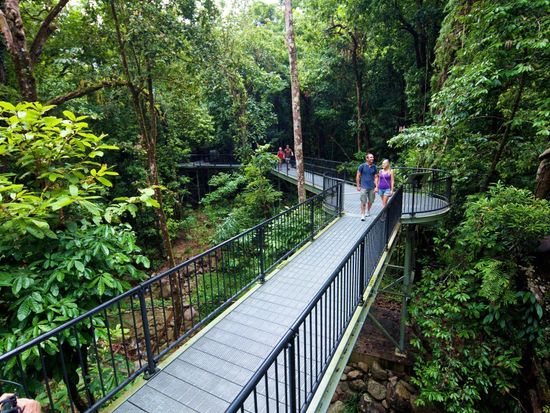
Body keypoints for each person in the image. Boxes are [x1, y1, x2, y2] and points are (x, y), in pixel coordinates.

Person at [356, 153, 379, 221]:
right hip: (363, 187)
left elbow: (376, 177)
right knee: (363, 201)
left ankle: (368, 211)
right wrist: (358, 185)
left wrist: (376, 187)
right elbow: (358, 176)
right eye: (371, 157)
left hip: (372, 187)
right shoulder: (362, 166)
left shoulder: (374, 167)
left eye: (373, 157)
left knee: (371, 200)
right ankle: (363, 215)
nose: (372, 158)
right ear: (367, 158)